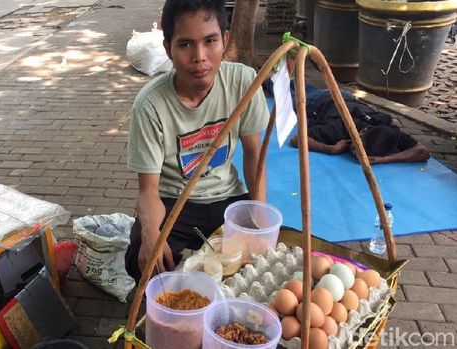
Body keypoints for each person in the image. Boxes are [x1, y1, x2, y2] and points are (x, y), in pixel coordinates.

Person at [124, 0, 270, 282]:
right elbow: (149, 192)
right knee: (143, 261)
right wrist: (151, 234)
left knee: (257, 258)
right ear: (168, 48)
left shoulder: (243, 81)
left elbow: (254, 156)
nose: (200, 56)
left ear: (225, 41)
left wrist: (258, 215)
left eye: (210, 41)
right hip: (173, 203)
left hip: (227, 198)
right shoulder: (151, 105)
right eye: (186, 44)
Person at [289, 87, 430, 164]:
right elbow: (296, 140)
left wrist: (385, 159)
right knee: (286, 93)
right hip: (322, 101)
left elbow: (423, 152)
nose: (356, 154)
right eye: (357, 149)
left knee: (303, 86)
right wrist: (330, 149)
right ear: (362, 133)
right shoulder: (341, 127)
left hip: (347, 98)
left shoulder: (389, 131)